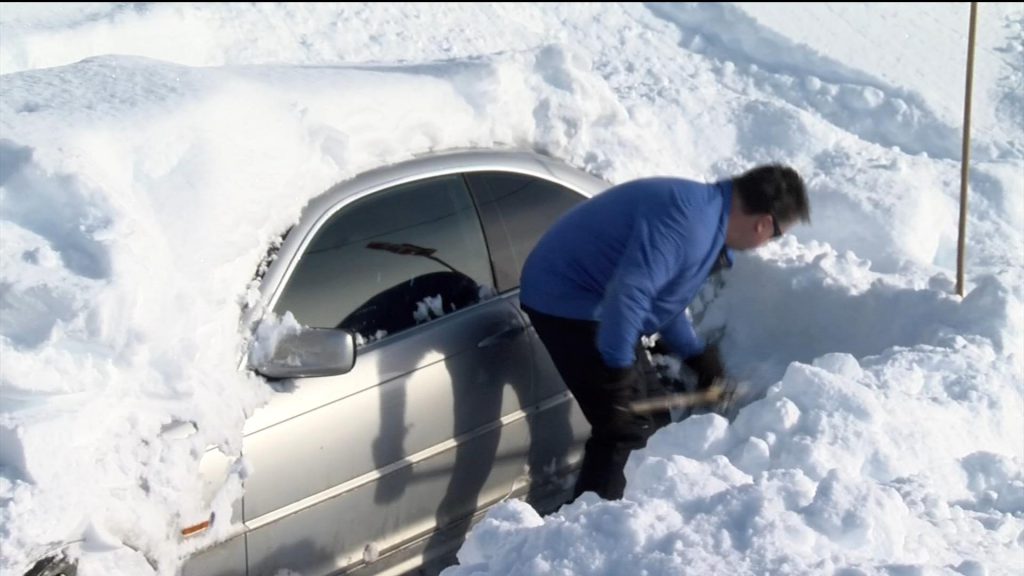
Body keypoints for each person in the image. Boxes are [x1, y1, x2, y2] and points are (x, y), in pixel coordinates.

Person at [519, 164, 810, 501]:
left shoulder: (706, 219)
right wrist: (617, 370)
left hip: (601, 303)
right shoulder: (689, 223)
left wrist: (695, 355)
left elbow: (663, 301)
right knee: (626, 428)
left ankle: (636, 512)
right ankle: (591, 530)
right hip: (567, 298)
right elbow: (630, 294)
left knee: (653, 421)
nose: (766, 244)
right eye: (776, 237)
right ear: (764, 224)